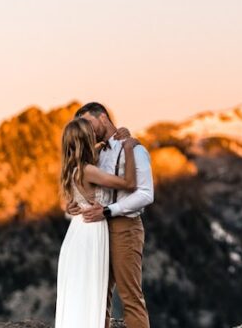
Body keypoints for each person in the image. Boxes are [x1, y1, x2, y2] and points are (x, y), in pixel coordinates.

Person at [70, 102, 154, 328]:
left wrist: (108, 211)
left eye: (88, 122)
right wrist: (76, 205)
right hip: (99, 230)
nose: (86, 129)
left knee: (130, 297)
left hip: (126, 227)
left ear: (103, 118)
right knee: (99, 296)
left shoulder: (135, 149)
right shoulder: (95, 154)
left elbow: (146, 194)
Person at [54, 118, 139, 327]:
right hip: (91, 233)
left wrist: (104, 144)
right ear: (86, 139)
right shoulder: (89, 171)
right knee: (91, 290)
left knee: (79, 291)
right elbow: (129, 184)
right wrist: (129, 147)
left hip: (78, 231)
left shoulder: (72, 168)